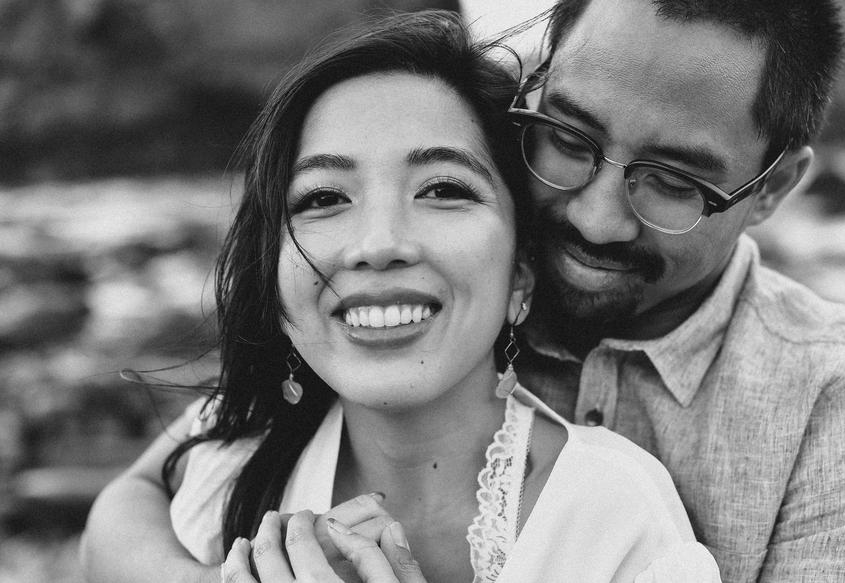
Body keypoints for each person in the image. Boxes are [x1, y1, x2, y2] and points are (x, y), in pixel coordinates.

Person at [81, 11, 721, 583]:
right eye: (323, 197)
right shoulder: (237, 452)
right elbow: (117, 517)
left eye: (443, 189)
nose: (379, 243)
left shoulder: (615, 523)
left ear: (520, 274)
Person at [511, 0, 845, 581]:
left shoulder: (840, 397)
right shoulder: (439, 308)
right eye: (568, 139)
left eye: (672, 181)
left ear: (773, 187)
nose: (596, 220)